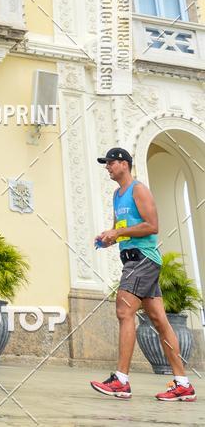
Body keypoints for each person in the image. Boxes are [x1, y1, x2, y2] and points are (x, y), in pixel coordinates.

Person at [90, 147, 196, 402]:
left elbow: (152, 226)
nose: (107, 167)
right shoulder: (117, 195)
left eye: (111, 162)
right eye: (106, 163)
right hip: (132, 259)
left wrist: (117, 233)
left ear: (124, 164)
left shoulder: (139, 190)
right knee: (160, 321)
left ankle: (121, 380)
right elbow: (123, 229)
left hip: (143, 259)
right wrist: (109, 238)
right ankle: (183, 383)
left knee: (124, 311)